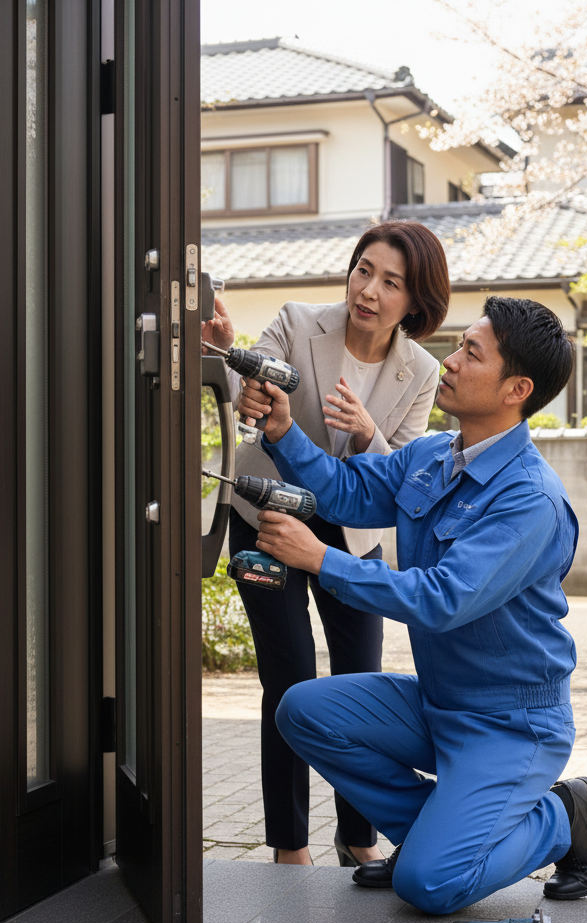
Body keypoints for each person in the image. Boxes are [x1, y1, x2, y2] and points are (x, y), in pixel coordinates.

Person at [241, 295, 587, 915]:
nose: (451, 361)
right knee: (302, 710)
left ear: (516, 389)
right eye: (459, 345)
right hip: (439, 702)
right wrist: (282, 431)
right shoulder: (433, 455)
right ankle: (432, 837)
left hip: (510, 725)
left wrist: (320, 559)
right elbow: (347, 492)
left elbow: (441, 599)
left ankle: (561, 817)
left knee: (429, 886)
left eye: (472, 353)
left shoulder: (530, 500)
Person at [201, 222, 447, 867]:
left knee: (360, 686)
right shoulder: (296, 320)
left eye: (391, 282)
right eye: (364, 270)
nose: (368, 291)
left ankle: (359, 838)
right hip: (269, 516)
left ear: (414, 301)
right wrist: (230, 360)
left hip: (352, 535)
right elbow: (250, 395)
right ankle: (289, 846)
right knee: (288, 681)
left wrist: (368, 435)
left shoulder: (421, 370)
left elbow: (406, 473)